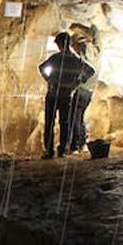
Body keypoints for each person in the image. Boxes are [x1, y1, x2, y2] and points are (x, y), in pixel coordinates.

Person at [38, 32, 96, 159]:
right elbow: (90, 71)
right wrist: (78, 82)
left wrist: (49, 80)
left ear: (60, 44)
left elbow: (41, 67)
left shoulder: (56, 58)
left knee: (50, 122)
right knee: (65, 123)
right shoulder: (76, 60)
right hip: (67, 95)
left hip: (53, 94)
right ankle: (62, 149)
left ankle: (49, 151)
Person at [70, 26, 101, 154]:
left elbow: (84, 71)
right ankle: (81, 143)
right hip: (89, 91)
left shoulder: (83, 52)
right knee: (79, 117)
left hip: (81, 89)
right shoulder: (97, 50)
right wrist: (92, 26)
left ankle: (76, 145)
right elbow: (97, 37)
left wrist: (73, 85)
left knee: (74, 118)